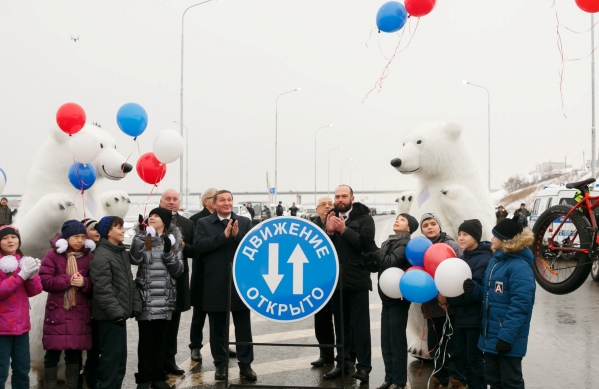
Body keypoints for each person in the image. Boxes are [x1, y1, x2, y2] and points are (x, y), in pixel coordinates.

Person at [463, 219, 535, 389]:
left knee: (510, 383)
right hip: (490, 336)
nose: (492, 238)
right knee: (493, 381)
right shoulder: (495, 262)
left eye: (495, 236)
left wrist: (506, 337)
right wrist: (474, 289)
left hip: (506, 337)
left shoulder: (519, 267)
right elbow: (490, 296)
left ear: (505, 240)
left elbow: (521, 306)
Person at [193, 190, 256, 381]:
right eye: (222, 200)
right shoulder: (204, 223)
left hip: (240, 283)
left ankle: (246, 365)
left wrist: (237, 236)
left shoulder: (244, 222)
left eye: (229, 200)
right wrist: (224, 236)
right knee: (217, 328)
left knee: (243, 327)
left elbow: (253, 247)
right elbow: (199, 246)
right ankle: (220, 364)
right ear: (213, 203)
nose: (226, 203)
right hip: (215, 282)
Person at [323, 185, 374, 383]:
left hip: (358, 280)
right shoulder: (330, 217)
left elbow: (365, 245)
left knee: (360, 327)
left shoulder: (364, 218)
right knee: (341, 327)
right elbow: (321, 249)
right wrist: (329, 233)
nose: (340, 199)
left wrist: (343, 230)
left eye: (344, 196)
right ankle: (343, 364)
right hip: (336, 282)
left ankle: (363, 367)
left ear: (352, 198)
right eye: (337, 196)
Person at [362, 213, 419, 389]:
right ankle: (389, 378)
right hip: (387, 299)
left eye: (402, 220)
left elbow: (388, 263)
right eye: (397, 218)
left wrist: (373, 247)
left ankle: (399, 381)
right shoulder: (389, 242)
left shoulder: (405, 243)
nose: (397, 220)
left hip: (398, 300)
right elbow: (375, 266)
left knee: (397, 341)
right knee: (386, 341)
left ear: (409, 228)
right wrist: (366, 252)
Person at [129, 207, 184, 389]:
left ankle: (158, 377)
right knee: (145, 341)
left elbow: (178, 270)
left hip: (165, 298)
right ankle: (143, 379)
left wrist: (168, 253)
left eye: (157, 215)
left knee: (161, 340)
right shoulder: (145, 239)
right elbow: (135, 259)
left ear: (166, 221)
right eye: (150, 215)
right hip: (146, 297)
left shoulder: (174, 241)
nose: (152, 217)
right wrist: (140, 237)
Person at [39, 220, 94, 389]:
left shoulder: (89, 257)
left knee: (74, 354)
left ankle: (72, 386)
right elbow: (45, 281)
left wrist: (84, 283)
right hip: (58, 312)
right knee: (52, 353)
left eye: (82, 237)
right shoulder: (53, 255)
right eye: (75, 237)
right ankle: (49, 385)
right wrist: (68, 280)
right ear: (66, 237)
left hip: (79, 312)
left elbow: (95, 284)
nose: (79, 241)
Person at [89, 216, 141, 389]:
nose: (122, 230)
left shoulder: (120, 253)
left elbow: (129, 281)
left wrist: (135, 305)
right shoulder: (101, 255)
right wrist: (117, 313)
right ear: (108, 231)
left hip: (119, 316)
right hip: (108, 317)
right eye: (118, 227)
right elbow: (102, 289)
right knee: (110, 361)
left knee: (119, 360)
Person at [442, 220, 491, 389]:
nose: (461, 238)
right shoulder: (462, 259)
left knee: (474, 359)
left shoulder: (484, 259)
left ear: (476, 237)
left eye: (466, 234)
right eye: (459, 234)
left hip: (475, 319)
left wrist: (449, 300)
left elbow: (476, 294)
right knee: (463, 357)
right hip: (461, 318)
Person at [419, 213, 466, 389]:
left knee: (451, 345)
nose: (430, 227)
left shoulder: (450, 245)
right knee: (434, 345)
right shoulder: (420, 248)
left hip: (449, 306)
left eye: (433, 224)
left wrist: (447, 295)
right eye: (425, 225)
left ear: (439, 226)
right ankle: (440, 377)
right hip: (430, 306)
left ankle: (457, 378)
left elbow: (458, 273)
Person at [0, 225, 42, 389]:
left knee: (22, 369)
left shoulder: (23, 262)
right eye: (4, 238)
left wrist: (31, 276)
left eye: (13, 237)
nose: (10, 240)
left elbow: (36, 290)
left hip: (21, 327)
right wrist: (21, 275)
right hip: (2, 328)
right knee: (1, 371)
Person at [159, 190, 195, 376]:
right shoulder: (151, 221)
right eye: (168, 199)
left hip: (178, 281)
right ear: (161, 201)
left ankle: (170, 361)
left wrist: (184, 247)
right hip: (156, 283)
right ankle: (156, 365)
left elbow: (195, 250)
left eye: (174, 199)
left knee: (173, 325)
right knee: (156, 326)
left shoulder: (188, 224)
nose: (171, 202)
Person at [309, 196, 336, 368]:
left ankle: (345, 358)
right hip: (317, 281)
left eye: (330, 204)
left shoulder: (339, 222)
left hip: (337, 279)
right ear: (317, 209)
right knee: (322, 321)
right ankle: (325, 354)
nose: (327, 207)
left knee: (342, 322)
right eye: (323, 205)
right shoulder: (310, 226)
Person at [80, 219, 100, 389]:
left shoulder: (101, 249)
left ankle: (91, 374)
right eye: (94, 229)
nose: (97, 232)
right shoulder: (79, 252)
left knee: (95, 345)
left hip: (97, 305)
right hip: (81, 304)